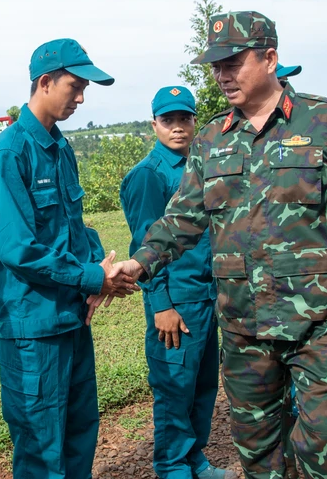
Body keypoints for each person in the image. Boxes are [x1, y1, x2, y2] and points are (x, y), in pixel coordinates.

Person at [105, 10, 327, 478]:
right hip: (242, 323)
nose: (222, 76)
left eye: (232, 63)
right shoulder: (212, 138)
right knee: (257, 446)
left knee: (326, 440)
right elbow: (182, 217)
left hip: (319, 319)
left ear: (271, 58)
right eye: (215, 67)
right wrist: (140, 264)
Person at [0, 38, 138, 478]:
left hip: (70, 318)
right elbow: (18, 249)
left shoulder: (60, 148)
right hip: (34, 328)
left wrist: (99, 267)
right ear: (45, 82)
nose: (81, 98)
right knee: (41, 446)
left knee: (80, 430)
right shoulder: (8, 155)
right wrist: (91, 277)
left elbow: (74, 224)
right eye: (75, 86)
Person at [120, 86, 233, 479]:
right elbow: (144, 246)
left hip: (206, 296)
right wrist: (162, 305)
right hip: (176, 302)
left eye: (185, 119)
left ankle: (195, 460)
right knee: (174, 390)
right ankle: (172, 467)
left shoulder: (199, 167)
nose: (178, 128)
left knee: (202, 388)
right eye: (168, 120)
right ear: (154, 124)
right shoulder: (148, 176)